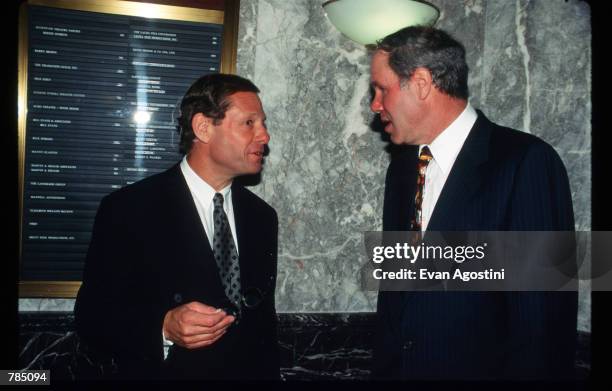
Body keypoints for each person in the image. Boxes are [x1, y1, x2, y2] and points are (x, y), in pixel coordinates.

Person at [369, 26, 577, 380]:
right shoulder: (402, 172)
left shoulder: (526, 163)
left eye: (381, 89)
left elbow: (542, 324)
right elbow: (396, 303)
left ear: (420, 83)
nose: (375, 105)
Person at [74, 73, 280, 380]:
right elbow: (93, 317)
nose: (264, 136)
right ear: (203, 127)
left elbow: (262, 326)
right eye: (250, 123)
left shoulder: (262, 216)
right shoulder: (130, 208)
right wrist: (163, 327)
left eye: (263, 123)